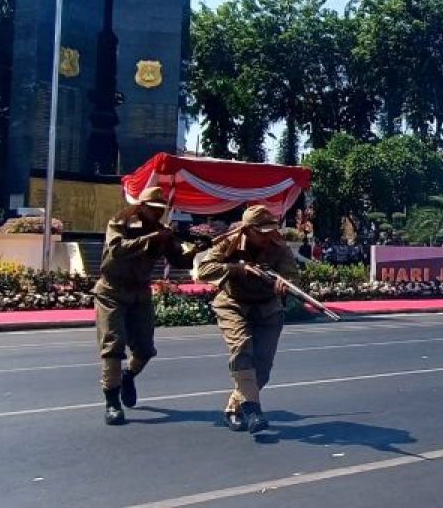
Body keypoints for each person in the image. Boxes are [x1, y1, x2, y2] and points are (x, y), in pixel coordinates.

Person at [94, 186, 201, 426]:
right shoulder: (120, 223)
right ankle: (112, 403)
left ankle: (128, 375)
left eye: (161, 210)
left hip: (140, 292)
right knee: (113, 345)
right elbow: (117, 250)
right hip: (112, 290)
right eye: (153, 209)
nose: (158, 214)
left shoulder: (162, 232)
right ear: (141, 207)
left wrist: (195, 249)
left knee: (144, 349)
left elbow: (179, 261)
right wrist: (152, 238)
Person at [196, 204, 299, 434]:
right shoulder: (229, 242)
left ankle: (234, 407)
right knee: (242, 349)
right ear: (248, 230)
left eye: (270, 229)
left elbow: (292, 275)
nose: (267, 236)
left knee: (262, 369)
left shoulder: (278, 246)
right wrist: (239, 269)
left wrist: (284, 284)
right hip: (233, 303)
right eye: (261, 231)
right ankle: (253, 411)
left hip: (267, 307)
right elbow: (204, 270)